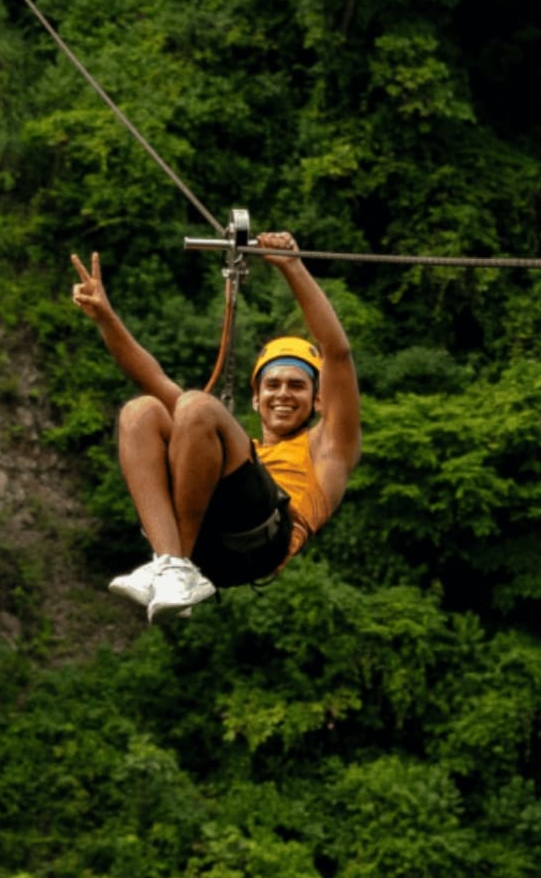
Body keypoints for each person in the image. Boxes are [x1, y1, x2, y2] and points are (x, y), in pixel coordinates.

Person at [70, 231, 361, 623]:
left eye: (297, 385)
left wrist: (293, 268)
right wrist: (106, 318)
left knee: (197, 407)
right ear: (256, 398)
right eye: (272, 385)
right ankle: (172, 563)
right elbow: (152, 378)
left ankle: (175, 564)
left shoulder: (328, 448)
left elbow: (337, 354)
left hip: (265, 539)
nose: (283, 394)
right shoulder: (222, 452)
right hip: (212, 543)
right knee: (141, 412)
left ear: (318, 399)